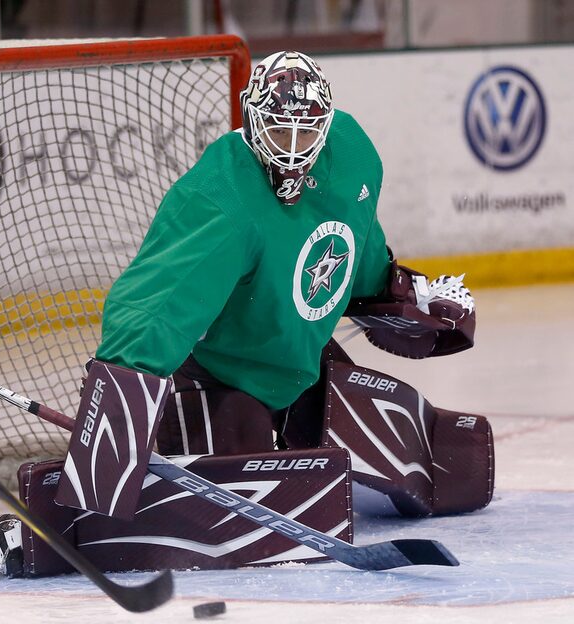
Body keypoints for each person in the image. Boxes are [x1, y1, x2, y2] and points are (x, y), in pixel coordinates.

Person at [55, 51, 481, 523]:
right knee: (237, 517)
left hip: (302, 361)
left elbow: (355, 234)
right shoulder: (220, 200)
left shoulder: (353, 152)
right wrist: (113, 421)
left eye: (308, 129)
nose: (294, 147)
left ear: (328, 121)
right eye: (279, 130)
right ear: (251, 118)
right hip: (222, 374)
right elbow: (156, 307)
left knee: (431, 473)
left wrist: (394, 288)